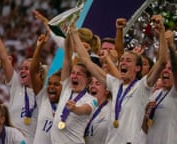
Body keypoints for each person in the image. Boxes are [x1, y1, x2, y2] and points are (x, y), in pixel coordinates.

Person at [70, 14, 168, 143]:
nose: (123, 63)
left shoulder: (142, 86)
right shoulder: (115, 84)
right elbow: (87, 61)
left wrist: (161, 31)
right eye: (122, 60)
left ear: (137, 68)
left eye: (128, 61)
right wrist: (73, 33)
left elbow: (161, 62)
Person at [0, 11, 37, 144]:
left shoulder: (43, 93)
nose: (22, 70)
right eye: (21, 68)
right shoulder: (16, 85)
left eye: (27, 68)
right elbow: (4, 59)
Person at [142, 15, 177, 144]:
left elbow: (176, 67)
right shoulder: (155, 94)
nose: (165, 71)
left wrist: (171, 47)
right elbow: (146, 130)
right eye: (164, 68)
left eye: (170, 69)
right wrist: (145, 115)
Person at [51, 28, 97, 144]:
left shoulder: (91, 99)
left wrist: (75, 109)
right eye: (73, 73)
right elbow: (67, 57)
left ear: (88, 80)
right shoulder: (67, 87)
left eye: (79, 74)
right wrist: (69, 35)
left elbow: (85, 110)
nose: (74, 76)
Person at [29, 33, 63, 144]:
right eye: (50, 83)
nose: (51, 87)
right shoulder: (43, 98)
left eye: (56, 85)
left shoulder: (70, 104)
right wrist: (39, 47)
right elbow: (33, 72)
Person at [84, 76, 111, 144]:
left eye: (97, 83)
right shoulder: (84, 107)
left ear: (106, 90)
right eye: (91, 83)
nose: (92, 86)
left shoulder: (112, 109)